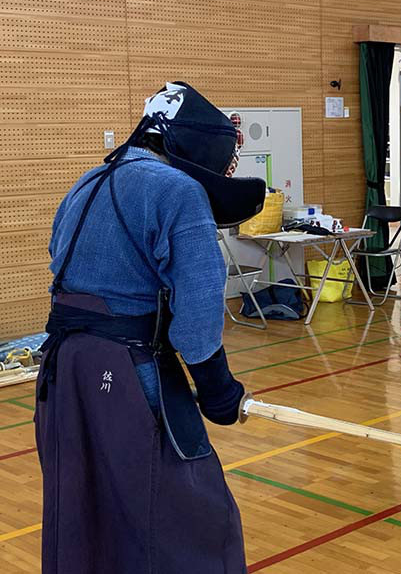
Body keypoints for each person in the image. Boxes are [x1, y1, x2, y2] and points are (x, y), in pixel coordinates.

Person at [36, 82, 265, 573]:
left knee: (88, 509)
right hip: (126, 371)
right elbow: (199, 309)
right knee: (195, 521)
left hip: (64, 372)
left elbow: (60, 266)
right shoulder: (177, 190)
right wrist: (218, 389)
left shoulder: (86, 181)